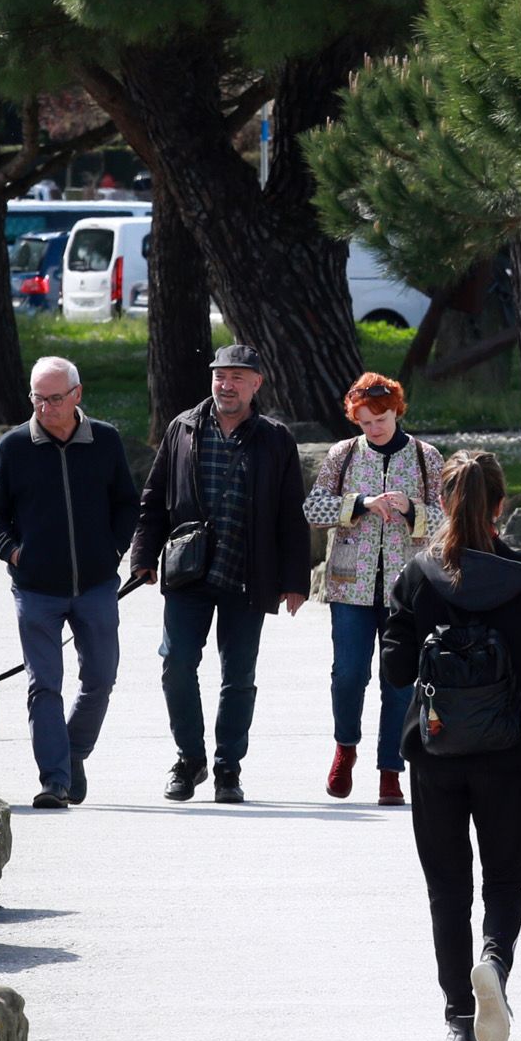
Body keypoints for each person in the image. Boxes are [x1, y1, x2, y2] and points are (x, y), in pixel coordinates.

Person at [381, 450, 521, 1041]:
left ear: (446, 504)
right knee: (507, 878)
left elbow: (396, 668)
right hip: (507, 751)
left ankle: (459, 1019)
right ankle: (495, 960)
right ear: (501, 505)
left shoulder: (418, 573)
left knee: (447, 886)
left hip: (434, 750)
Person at [128, 342, 312, 804]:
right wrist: (142, 559)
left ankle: (228, 767)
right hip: (188, 572)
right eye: (219, 376)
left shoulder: (275, 438)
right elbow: (153, 500)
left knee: (238, 676)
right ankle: (190, 760)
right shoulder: (183, 428)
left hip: (248, 573)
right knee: (176, 664)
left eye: (236, 377)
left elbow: (292, 513)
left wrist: (295, 580)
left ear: (255, 384)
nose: (226, 385)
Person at [0, 355, 143, 808]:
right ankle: (54, 781)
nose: (45, 408)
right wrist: (15, 553)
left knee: (101, 677)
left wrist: (114, 549)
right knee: (44, 683)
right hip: (35, 589)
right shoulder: (12, 447)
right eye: (37, 398)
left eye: (54, 398)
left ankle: (72, 753)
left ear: (77, 395)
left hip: (96, 585)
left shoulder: (105, 441)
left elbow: (128, 503)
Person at [305, 371, 446, 805]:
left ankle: (391, 768)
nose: (373, 428)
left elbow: (447, 521)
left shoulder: (427, 457)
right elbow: (313, 507)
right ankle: (345, 747)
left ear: (396, 410)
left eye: (380, 419)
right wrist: (362, 504)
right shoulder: (342, 455)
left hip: (406, 589)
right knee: (348, 674)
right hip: (350, 586)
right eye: (364, 422)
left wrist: (410, 509)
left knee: (399, 680)